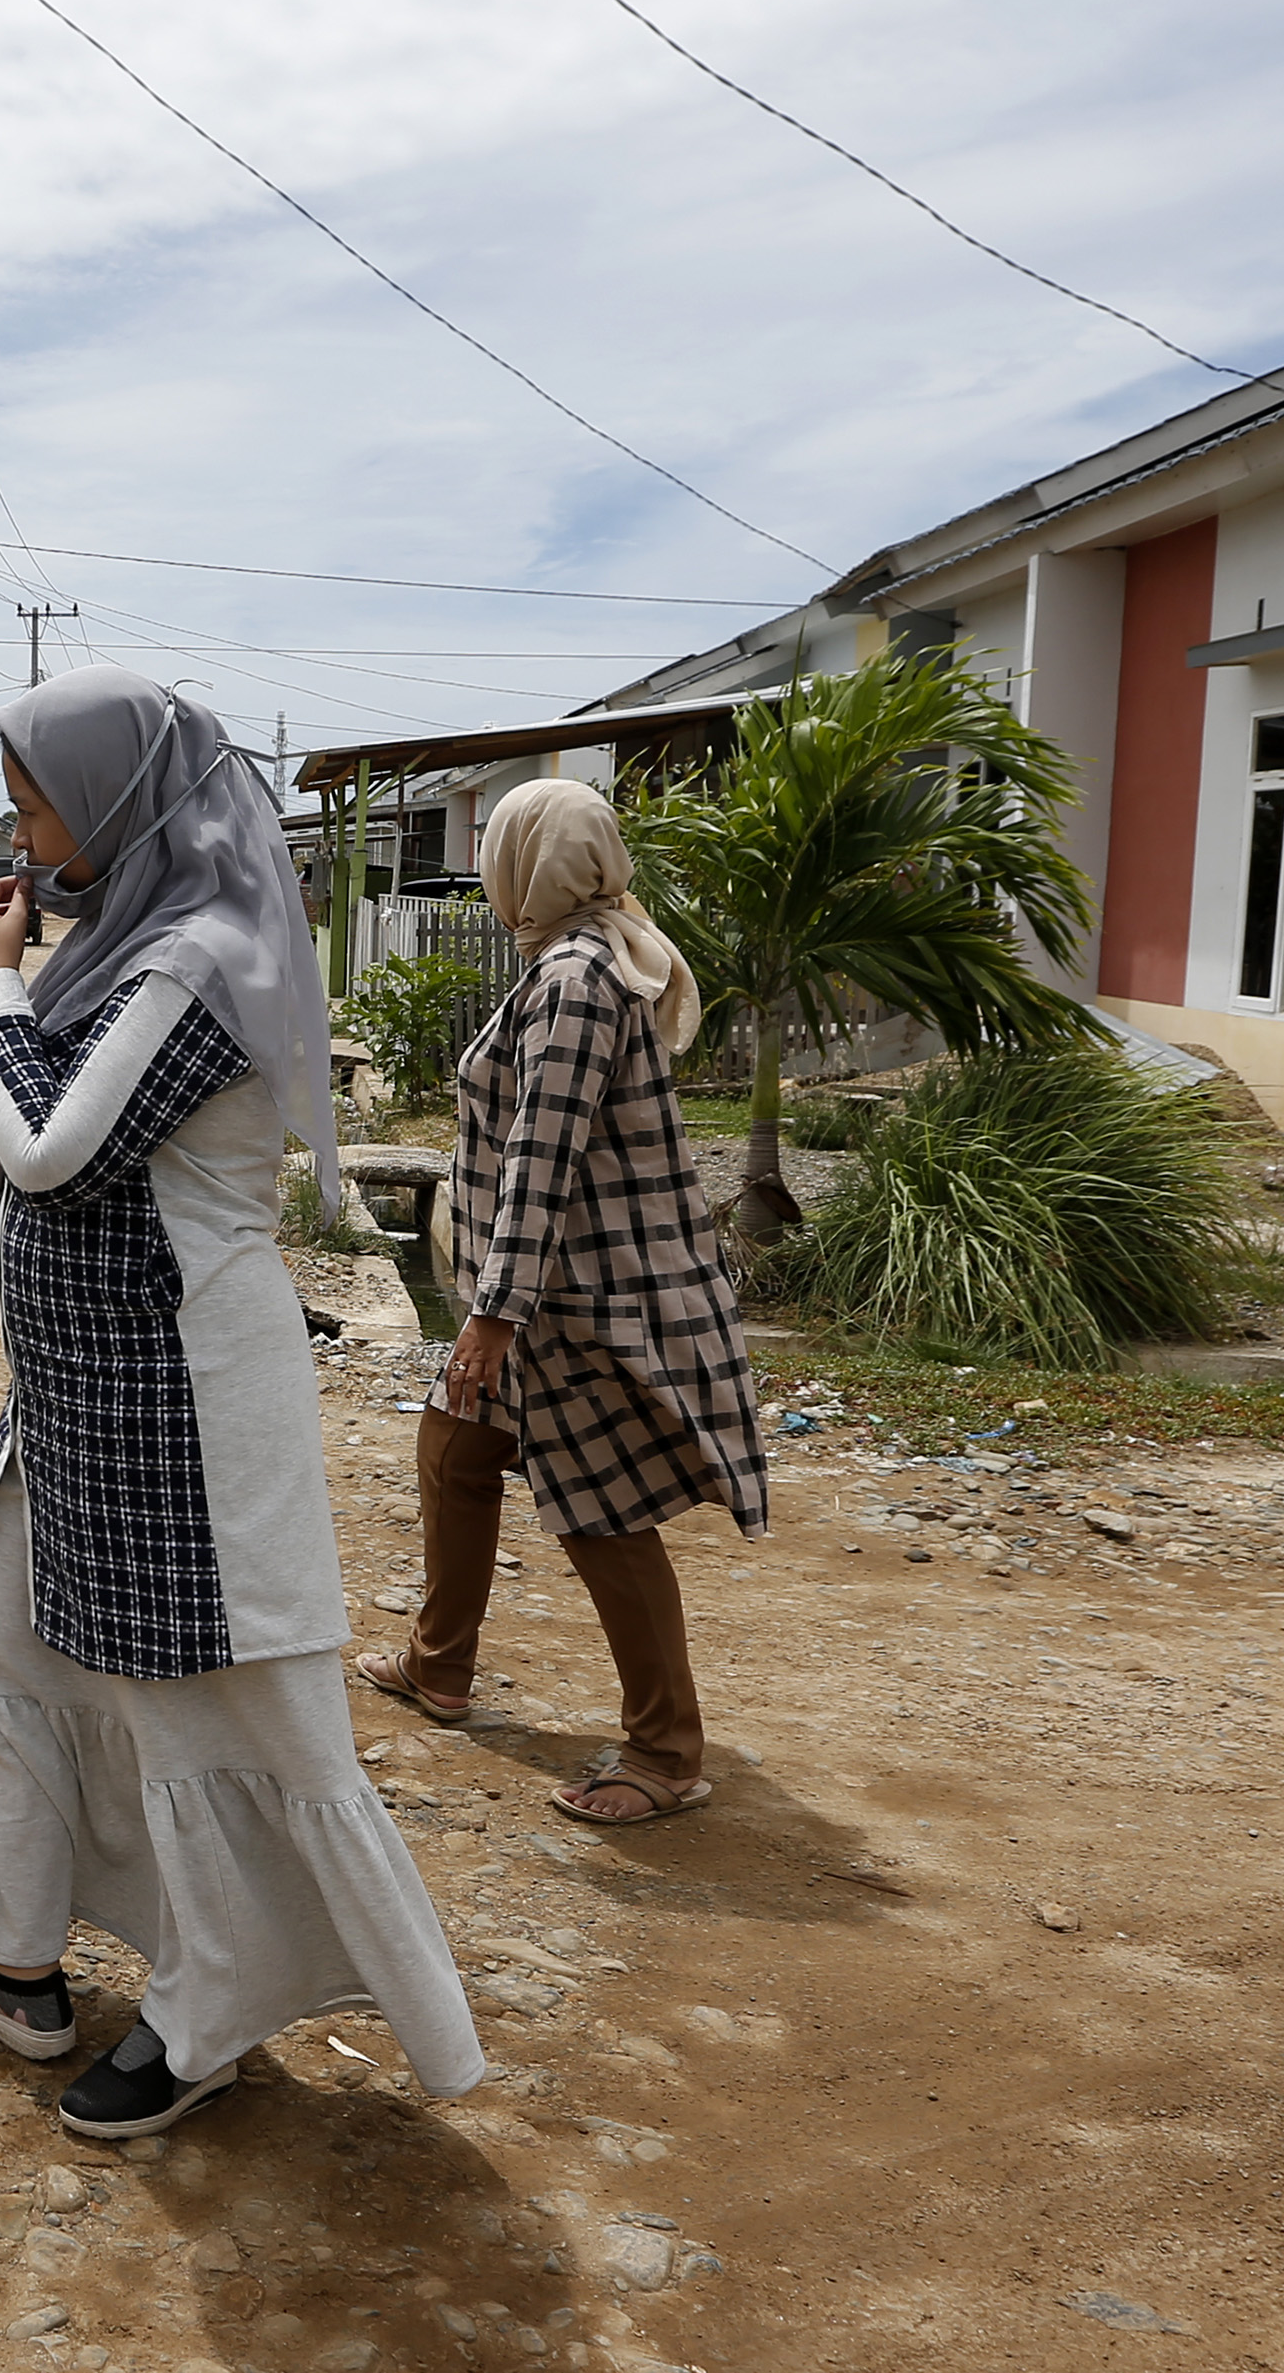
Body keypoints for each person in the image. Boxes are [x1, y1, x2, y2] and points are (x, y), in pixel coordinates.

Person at [0, 666, 486, 2139]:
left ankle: (201, 2019)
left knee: (203, 1720)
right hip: (80, 1391)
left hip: (181, 1408)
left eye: (38, 800)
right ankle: (21, 1957)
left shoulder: (204, 955)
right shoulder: (129, 945)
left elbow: (49, 1148)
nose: (20, 835)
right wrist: (24, 986)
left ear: (115, 798)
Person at [351, 778, 767, 1823]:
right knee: (453, 1449)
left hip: (579, 1297)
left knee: (602, 1513)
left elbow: (545, 1155)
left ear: (528, 863)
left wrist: (492, 1317)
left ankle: (665, 1752)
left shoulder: (577, 977)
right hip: (540, 1283)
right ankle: (438, 1664)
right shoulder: (574, 957)